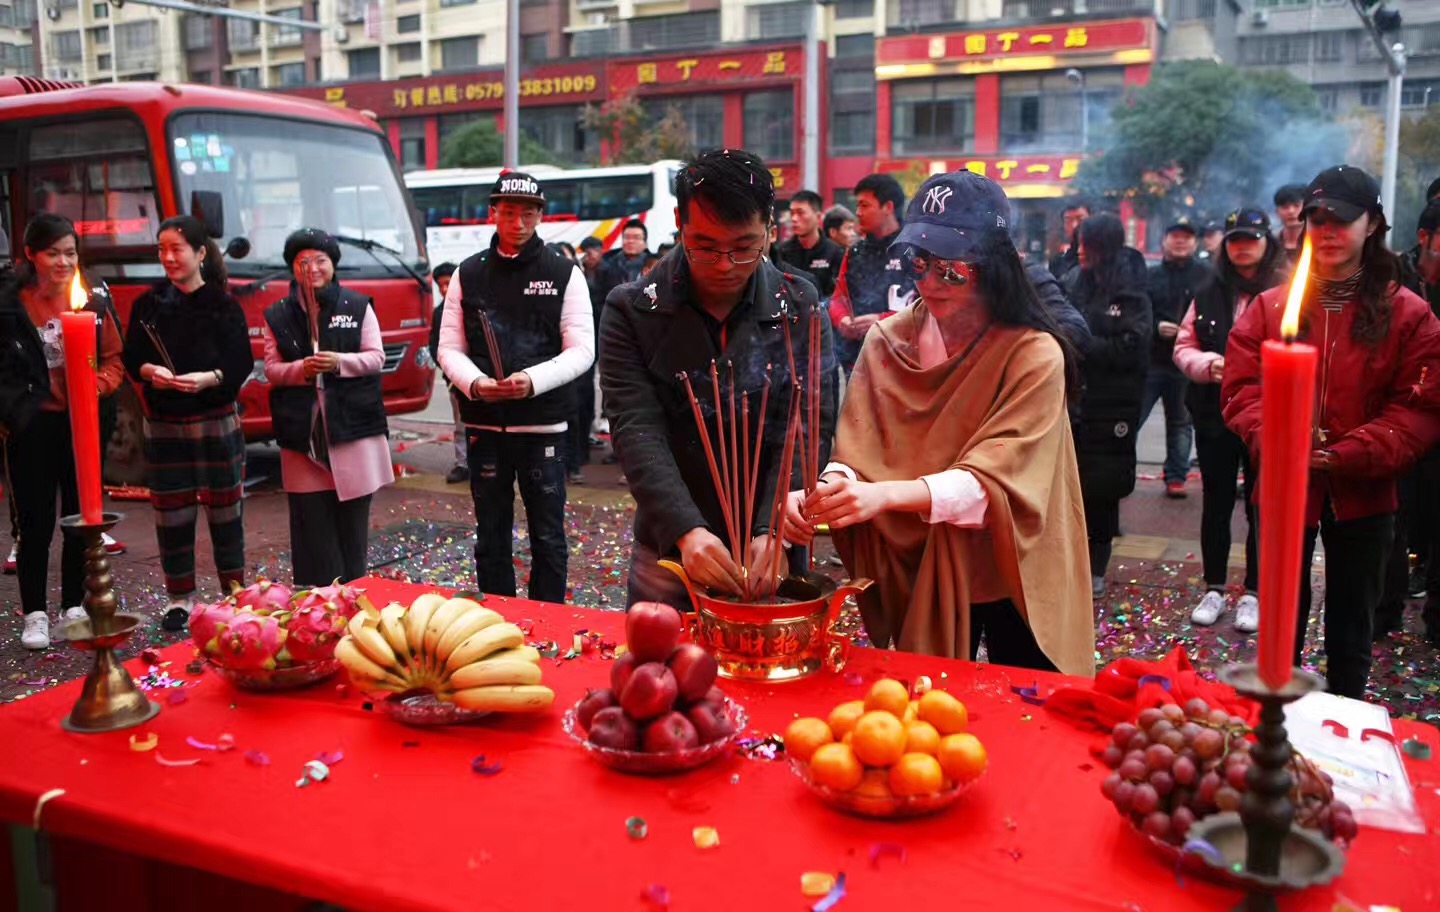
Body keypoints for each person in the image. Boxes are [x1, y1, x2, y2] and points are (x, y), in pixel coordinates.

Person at [783, 171, 1093, 676]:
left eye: (952, 269)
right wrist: (827, 492)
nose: (928, 282)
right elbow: (857, 455)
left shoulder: (1034, 353)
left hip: (1015, 554)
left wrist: (883, 497)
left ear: (995, 266)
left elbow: (994, 481)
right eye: (918, 262)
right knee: (931, 708)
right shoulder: (886, 341)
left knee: (1033, 701)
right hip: (929, 561)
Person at [1223, 165, 1440, 700]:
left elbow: (1419, 410)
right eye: (1317, 218)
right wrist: (1275, 437)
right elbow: (1241, 387)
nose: (1328, 230)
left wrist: (1346, 454)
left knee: (1351, 628)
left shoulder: (1409, 314)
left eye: (1342, 219)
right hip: (1281, 483)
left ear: (1374, 225)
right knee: (1280, 623)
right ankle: (1278, 728)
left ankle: (1341, 722)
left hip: (1364, 493)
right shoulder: (1272, 306)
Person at [600, 148, 835, 606]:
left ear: (770, 228)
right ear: (678, 221)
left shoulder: (799, 305)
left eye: (744, 248)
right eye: (705, 246)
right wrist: (686, 531)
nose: (725, 265)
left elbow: (807, 425)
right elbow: (636, 428)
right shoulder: (632, 310)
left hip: (773, 545)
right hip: (671, 545)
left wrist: (772, 530)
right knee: (661, 665)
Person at [438, 172, 594, 603]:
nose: (518, 222)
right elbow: (449, 347)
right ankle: (495, 621)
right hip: (485, 425)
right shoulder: (468, 273)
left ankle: (550, 622)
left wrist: (531, 382)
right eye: (508, 212)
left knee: (548, 535)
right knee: (490, 534)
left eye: (528, 213)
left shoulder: (564, 272)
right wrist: (475, 383)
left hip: (544, 427)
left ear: (541, 215)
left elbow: (582, 350)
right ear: (493, 213)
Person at [0, 214, 125, 649]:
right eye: (52, 253)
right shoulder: (10, 306)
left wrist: (97, 386)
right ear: (30, 255)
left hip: (82, 424)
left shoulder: (93, 300)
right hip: (33, 426)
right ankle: (34, 612)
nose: (63, 261)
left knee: (82, 516)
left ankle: (75, 604)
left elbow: (113, 358)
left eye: (70, 253)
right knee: (35, 523)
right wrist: (20, 412)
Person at [124, 216, 252, 630]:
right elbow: (131, 357)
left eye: (177, 248)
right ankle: (179, 598)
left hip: (215, 419)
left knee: (225, 513)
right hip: (164, 422)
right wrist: (149, 371)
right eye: (162, 249)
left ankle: (234, 593)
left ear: (200, 253)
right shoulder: (148, 304)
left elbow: (240, 362)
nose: (168, 257)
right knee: (171, 514)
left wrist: (208, 378)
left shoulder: (223, 304)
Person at [1173, 207, 1288, 633]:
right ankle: (1215, 587)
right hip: (1214, 412)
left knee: (1262, 504)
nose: (1243, 247)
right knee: (1217, 502)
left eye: (1251, 239)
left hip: (1267, 416)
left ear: (1266, 243)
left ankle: (1255, 592)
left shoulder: (1285, 290)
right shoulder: (1207, 289)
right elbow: (1184, 344)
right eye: (1235, 239)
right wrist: (1207, 364)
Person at [263, 229, 394, 587]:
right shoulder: (277, 314)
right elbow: (272, 370)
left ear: (333, 264)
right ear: (292, 267)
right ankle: (316, 608)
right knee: (312, 535)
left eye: (320, 260)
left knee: (353, 534)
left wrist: (339, 362)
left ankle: (356, 599)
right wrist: (300, 369)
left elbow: (375, 358)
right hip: (303, 440)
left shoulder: (357, 305)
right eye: (303, 262)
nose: (313, 268)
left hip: (353, 432)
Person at [1068, 213, 1153, 597]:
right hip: (1073, 401)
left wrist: (1085, 346)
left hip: (1112, 403)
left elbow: (1134, 347)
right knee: (1070, 485)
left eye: (1087, 243)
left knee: (1102, 489)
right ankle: (1068, 560)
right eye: (1078, 242)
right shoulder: (1072, 280)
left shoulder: (1130, 289)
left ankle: (1097, 568)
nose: (1080, 250)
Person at [1143, 218, 1207, 497]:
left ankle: (1176, 476)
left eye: (1187, 237)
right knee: (1136, 415)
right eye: (1175, 236)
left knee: (1181, 422)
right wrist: (1156, 326)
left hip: (1186, 363)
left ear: (1195, 242)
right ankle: (1122, 469)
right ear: (1164, 240)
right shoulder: (1150, 275)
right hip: (1152, 359)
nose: (1180, 241)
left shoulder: (1208, 275)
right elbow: (1140, 311)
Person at [829, 174, 915, 376]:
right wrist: (843, 321)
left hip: (905, 363)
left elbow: (929, 310)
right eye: (857, 205)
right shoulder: (854, 251)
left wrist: (882, 321)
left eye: (864, 205)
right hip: (859, 362)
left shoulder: (915, 250)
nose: (857, 212)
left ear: (888, 207)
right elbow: (838, 297)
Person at [426, 262, 467, 484]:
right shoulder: (438, 313)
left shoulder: (473, 306)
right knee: (460, 425)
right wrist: (449, 368)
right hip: (453, 380)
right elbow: (435, 346)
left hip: (479, 377)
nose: (443, 289)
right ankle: (463, 463)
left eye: (447, 283)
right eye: (439, 285)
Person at [777, 190, 846, 300]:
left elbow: (840, 296)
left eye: (800, 213)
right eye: (792, 213)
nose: (794, 219)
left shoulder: (835, 252)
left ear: (818, 217)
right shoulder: (783, 251)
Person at [598, 219, 649, 300]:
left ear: (645, 244)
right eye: (627, 237)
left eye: (636, 238)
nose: (631, 241)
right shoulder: (607, 265)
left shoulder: (654, 265)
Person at [1049, 198, 1091, 280]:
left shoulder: (1101, 258)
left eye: (1080, 219)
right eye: (1068, 220)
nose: (1074, 226)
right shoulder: (1057, 262)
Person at [1273, 183, 1307, 268]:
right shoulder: (1270, 244)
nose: (1291, 211)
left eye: (1296, 206)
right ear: (1277, 212)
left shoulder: (1319, 241)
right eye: (1285, 207)